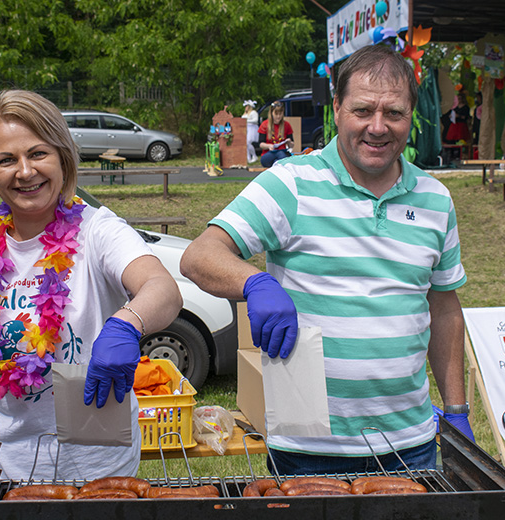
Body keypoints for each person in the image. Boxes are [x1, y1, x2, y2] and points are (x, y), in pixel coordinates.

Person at [179, 44, 473, 476]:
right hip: (307, 447)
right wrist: (256, 283)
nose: (377, 127)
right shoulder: (291, 182)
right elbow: (200, 255)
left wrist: (457, 410)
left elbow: (444, 308)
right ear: (336, 109)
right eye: (362, 110)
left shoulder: (435, 199)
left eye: (394, 113)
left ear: (411, 115)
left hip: (409, 444)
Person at [0, 89, 182, 481]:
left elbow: (162, 288)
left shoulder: (97, 231)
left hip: (97, 470)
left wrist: (126, 323)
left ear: (63, 158)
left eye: (38, 153)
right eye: (6, 160)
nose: (25, 171)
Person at [258, 101, 294, 168]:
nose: (278, 116)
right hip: (268, 155)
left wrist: (289, 142)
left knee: (278, 159)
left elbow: (291, 145)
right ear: (271, 113)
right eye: (276, 114)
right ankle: (281, 163)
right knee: (279, 153)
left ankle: (277, 164)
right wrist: (269, 146)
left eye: (280, 114)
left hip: (282, 154)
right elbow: (261, 144)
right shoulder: (264, 124)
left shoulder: (286, 125)